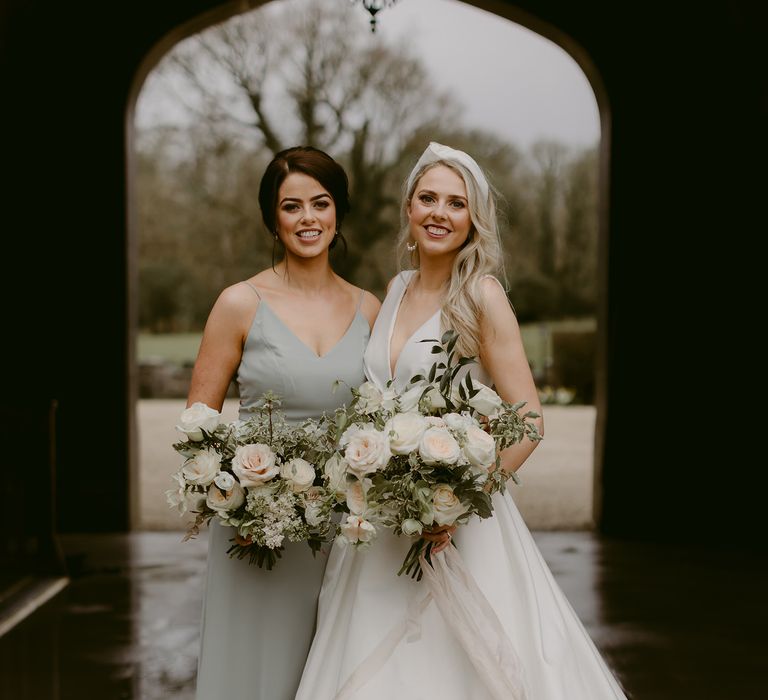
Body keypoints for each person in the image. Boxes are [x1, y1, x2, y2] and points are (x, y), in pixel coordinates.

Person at [295, 142, 628, 699]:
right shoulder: (397, 289)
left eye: (456, 203)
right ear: (408, 208)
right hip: (382, 522)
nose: (438, 213)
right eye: (427, 198)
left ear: (473, 219)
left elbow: (528, 419)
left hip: (460, 526)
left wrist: (457, 500)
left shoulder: (481, 295)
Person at [187, 146, 380, 700]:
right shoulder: (239, 303)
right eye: (291, 206)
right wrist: (238, 498)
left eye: (320, 204)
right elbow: (198, 426)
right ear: (273, 217)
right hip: (258, 534)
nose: (308, 219)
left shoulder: (370, 308)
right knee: (258, 677)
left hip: (345, 535)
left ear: (338, 212)